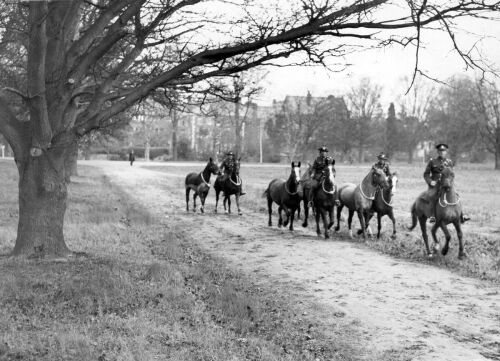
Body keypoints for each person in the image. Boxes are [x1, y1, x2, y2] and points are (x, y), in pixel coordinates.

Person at [423, 143, 470, 223]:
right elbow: (426, 174)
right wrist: (430, 182)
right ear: (438, 152)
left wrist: (450, 181)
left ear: (446, 152)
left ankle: (461, 215)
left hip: (447, 184)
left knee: (456, 195)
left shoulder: (449, 162)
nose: (442, 152)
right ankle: (433, 215)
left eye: (443, 151)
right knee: (433, 196)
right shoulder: (432, 162)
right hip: (436, 185)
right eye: (440, 151)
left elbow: (452, 174)